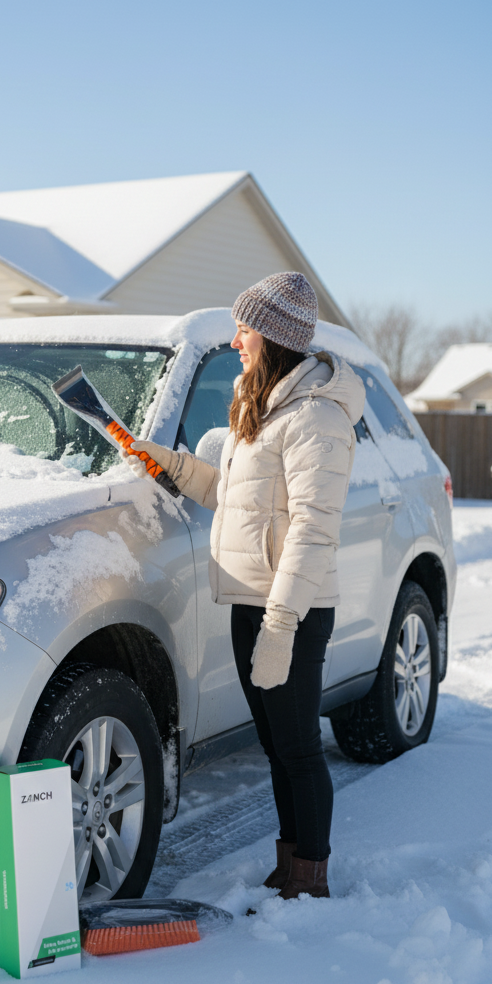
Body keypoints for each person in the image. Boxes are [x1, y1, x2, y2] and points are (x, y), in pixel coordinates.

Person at [128, 272, 365, 899]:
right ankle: (290, 865)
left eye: (245, 327)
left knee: (299, 747)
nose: (236, 339)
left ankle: (309, 876)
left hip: (291, 607)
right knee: (275, 744)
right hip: (247, 599)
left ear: (275, 336)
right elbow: (233, 498)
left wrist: (281, 627)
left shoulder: (316, 418)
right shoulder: (257, 407)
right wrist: (176, 466)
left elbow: (313, 532)